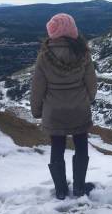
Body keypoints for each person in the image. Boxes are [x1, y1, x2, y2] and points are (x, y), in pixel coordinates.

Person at [30, 13, 98, 200]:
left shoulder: (44, 56)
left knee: (57, 147)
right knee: (81, 145)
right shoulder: (83, 53)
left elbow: (37, 87)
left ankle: (60, 190)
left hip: (54, 111)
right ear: (72, 31)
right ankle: (78, 187)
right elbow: (91, 82)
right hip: (79, 108)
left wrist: (36, 110)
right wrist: (89, 99)